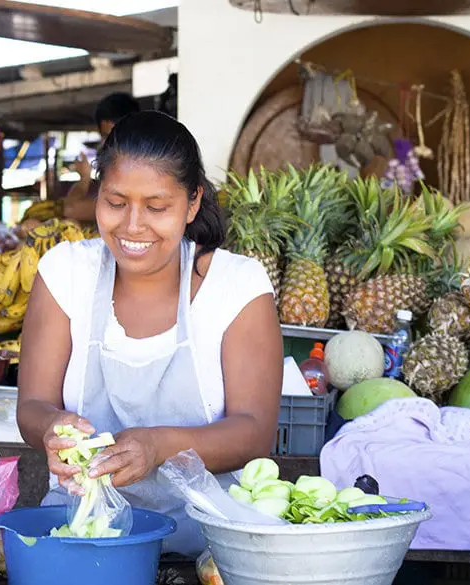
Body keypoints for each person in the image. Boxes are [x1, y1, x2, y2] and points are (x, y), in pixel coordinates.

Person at [16, 110, 283, 556]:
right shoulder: (65, 273)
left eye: (157, 208)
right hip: (83, 541)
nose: (133, 226)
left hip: (206, 552)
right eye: (115, 203)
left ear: (193, 202)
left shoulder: (237, 286)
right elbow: (31, 406)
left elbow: (255, 432)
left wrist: (157, 446)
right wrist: (52, 426)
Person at [61, 92, 142, 223]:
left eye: (116, 136)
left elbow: (70, 209)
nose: (110, 143)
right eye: (105, 137)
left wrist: (84, 179)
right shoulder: (114, 172)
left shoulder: (141, 171)